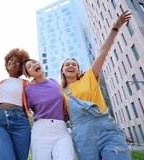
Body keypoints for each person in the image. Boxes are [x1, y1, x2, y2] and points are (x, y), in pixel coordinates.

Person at [60, 11, 132, 160]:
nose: (70, 65)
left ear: (78, 69)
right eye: (67, 64)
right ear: (62, 70)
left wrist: (115, 28)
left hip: (107, 131)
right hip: (82, 137)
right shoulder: (59, 92)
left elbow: (103, 52)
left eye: (74, 64)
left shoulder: (89, 77)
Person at [23, 59, 74, 160]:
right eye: (29, 66)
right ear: (28, 74)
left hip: (61, 130)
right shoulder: (28, 89)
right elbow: (22, 110)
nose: (34, 65)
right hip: (41, 132)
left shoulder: (54, 82)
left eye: (34, 62)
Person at [0, 48, 31, 160]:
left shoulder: (27, 83)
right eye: (11, 59)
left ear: (21, 67)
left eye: (17, 61)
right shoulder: (1, 83)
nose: (12, 62)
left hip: (20, 123)